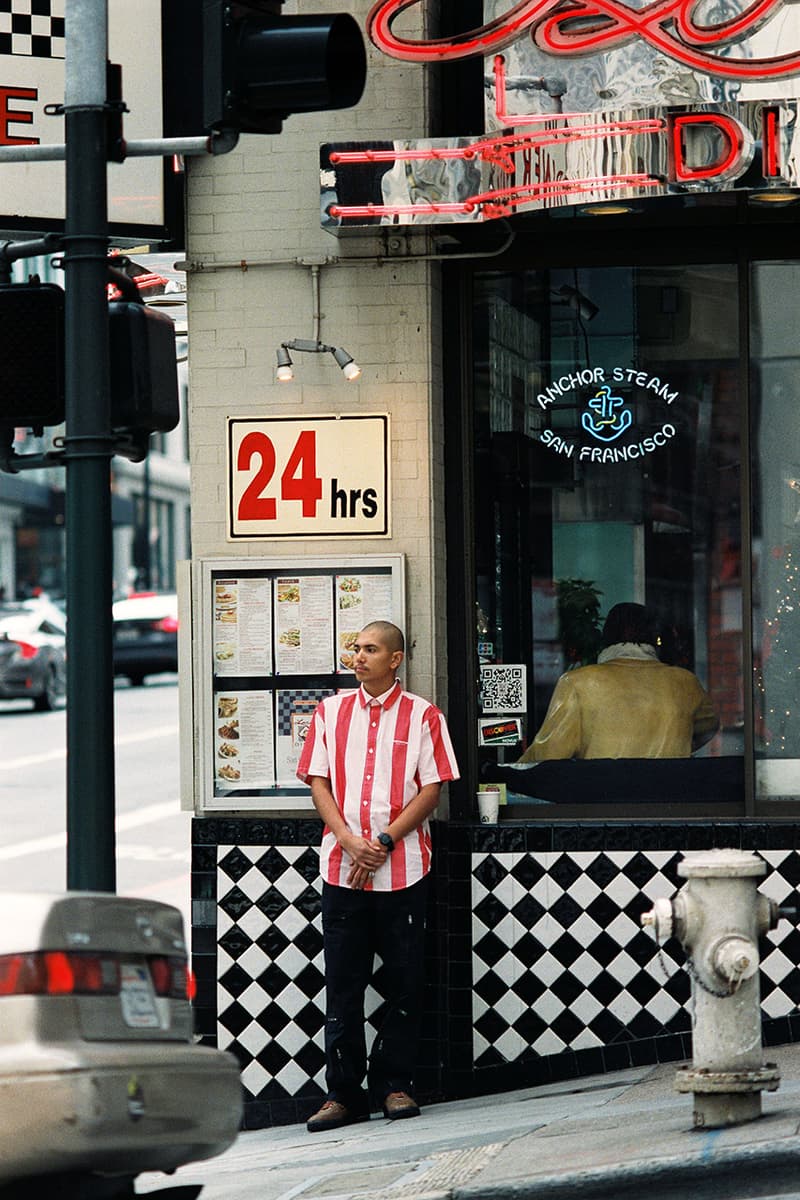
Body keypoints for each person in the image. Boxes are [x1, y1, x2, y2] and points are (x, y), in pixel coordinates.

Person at [297, 620, 460, 1133]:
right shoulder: (329, 712)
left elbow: (431, 791)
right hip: (342, 869)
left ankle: (395, 1086)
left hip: (405, 869)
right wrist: (348, 840)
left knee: (405, 981)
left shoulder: (423, 716)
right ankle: (342, 1095)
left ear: (396, 659)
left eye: (371, 649)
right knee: (343, 982)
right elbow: (318, 782)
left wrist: (383, 842)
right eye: (356, 648)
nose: (359, 656)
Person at [519, 602, 718, 762]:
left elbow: (548, 755)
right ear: (654, 638)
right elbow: (708, 727)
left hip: (601, 804)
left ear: (605, 638)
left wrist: (507, 773)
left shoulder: (577, 682)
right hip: (671, 803)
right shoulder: (685, 683)